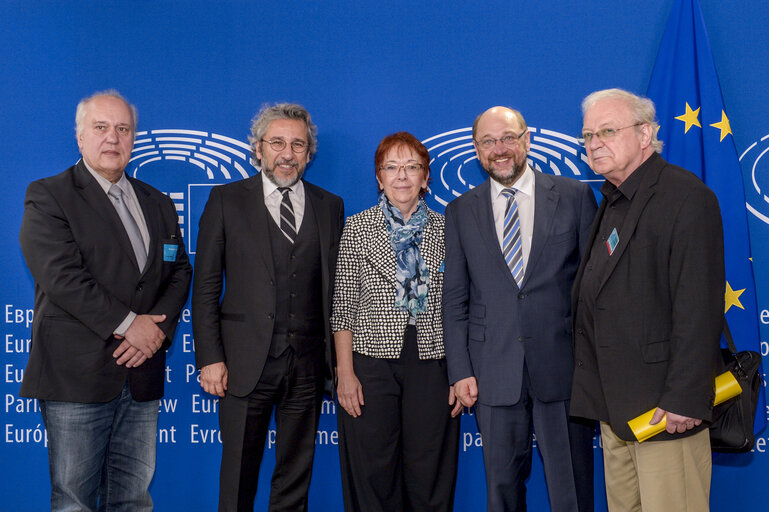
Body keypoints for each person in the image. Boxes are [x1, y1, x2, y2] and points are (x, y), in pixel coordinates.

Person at [18, 90, 192, 511]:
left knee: (133, 499)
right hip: (76, 379)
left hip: (142, 376)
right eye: (100, 128)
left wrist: (157, 331)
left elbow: (180, 270)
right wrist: (131, 324)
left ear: (133, 138)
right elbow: (62, 277)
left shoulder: (159, 202)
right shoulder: (49, 196)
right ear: (80, 136)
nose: (112, 138)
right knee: (75, 501)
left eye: (123, 129)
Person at [571, 88, 725, 511]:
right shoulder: (613, 200)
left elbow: (699, 308)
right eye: (587, 135)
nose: (594, 143)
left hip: (665, 411)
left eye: (606, 131)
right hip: (616, 409)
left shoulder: (685, 198)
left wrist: (683, 397)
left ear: (646, 134)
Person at [443, 107, 597, 512]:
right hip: (492, 371)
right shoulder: (460, 211)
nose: (500, 149)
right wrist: (459, 370)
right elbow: (455, 297)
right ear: (477, 151)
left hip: (562, 369)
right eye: (488, 142)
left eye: (508, 138)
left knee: (572, 491)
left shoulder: (575, 196)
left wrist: (590, 363)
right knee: (502, 492)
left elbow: (592, 290)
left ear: (527, 140)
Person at [192, 103, 344, 512]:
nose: (287, 153)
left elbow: (336, 290)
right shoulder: (225, 201)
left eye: (298, 144)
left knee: (295, 478)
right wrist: (210, 357)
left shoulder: (330, 206)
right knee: (239, 475)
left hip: (308, 365)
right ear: (257, 149)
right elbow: (205, 286)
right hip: (243, 364)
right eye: (277, 142)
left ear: (309, 154)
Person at [333, 132, 461, 512]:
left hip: (433, 362)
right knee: (374, 473)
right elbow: (343, 308)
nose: (401, 176)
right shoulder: (356, 228)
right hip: (370, 364)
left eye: (412, 167)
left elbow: (461, 304)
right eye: (392, 167)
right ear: (378, 177)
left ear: (426, 177)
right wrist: (345, 373)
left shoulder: (448, 228)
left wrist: (460, 370)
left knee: (429, 474)